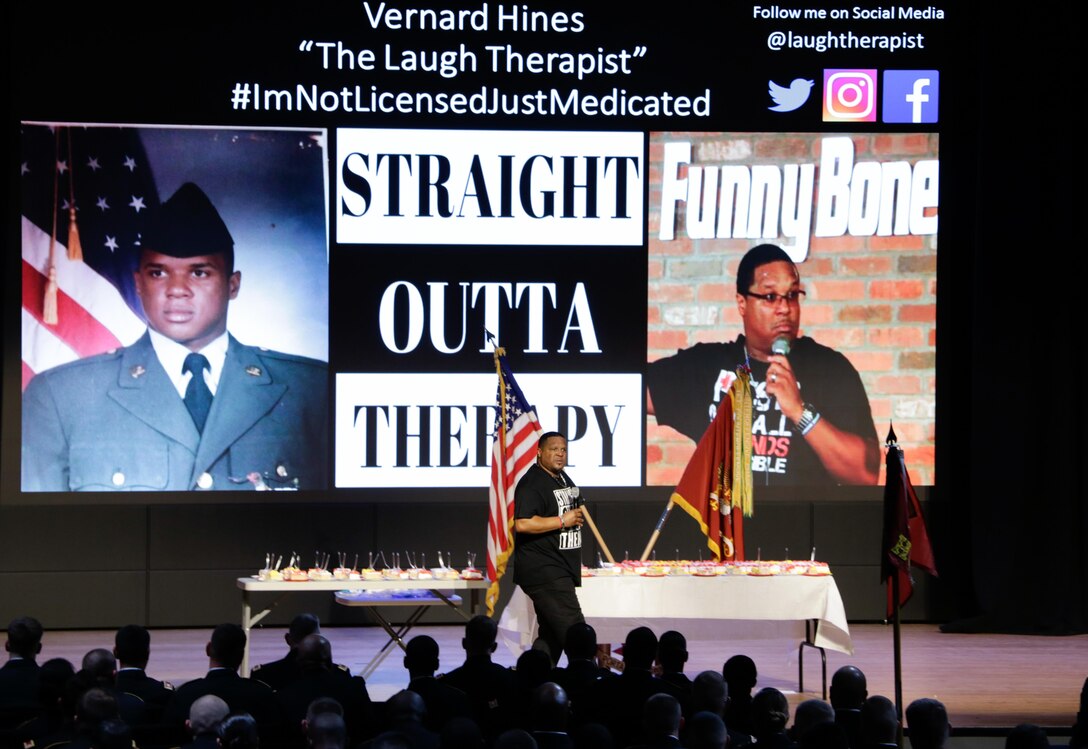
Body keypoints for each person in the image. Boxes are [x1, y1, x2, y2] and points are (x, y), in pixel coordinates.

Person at [21, 181, 328, 492]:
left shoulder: (312, 391)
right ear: (138, 283)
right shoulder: (61, 398)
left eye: (199, 272)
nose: (177, 289)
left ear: (233, 285)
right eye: (159, 273)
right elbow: (42, 530)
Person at [646, 243, 879, 486]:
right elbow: (625, 388)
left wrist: (799, 412)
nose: (785, 309)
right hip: (726, 522)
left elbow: (866, 476)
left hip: (801, 522)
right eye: (770, 297)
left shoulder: (830, 369)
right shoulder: (707, 367)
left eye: (792, 295)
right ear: (742, 304)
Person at [513, 432, 587, 665]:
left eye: (563, 450)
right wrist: (562, 521)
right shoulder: (531, 484)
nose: (560, 454)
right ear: (539, 452)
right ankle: (587, 683)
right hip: (545, 571)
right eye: (553, 449)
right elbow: (522, 523)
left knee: (551, 635)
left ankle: (535, 680)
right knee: (577, 635)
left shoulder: (561, 478)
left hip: (559, 567)